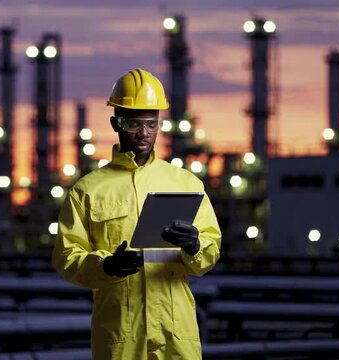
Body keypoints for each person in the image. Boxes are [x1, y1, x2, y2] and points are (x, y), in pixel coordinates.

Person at [52, 68, 221, 359]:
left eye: (151, 124)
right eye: (133, 123)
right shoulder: (88, 191)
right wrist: (107, 266)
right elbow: (68, 258)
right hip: (121, 332)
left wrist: (194, 245)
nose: (144, 133)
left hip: (175, 332)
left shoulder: (186, 184)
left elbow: (210, 250)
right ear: (116, 123)